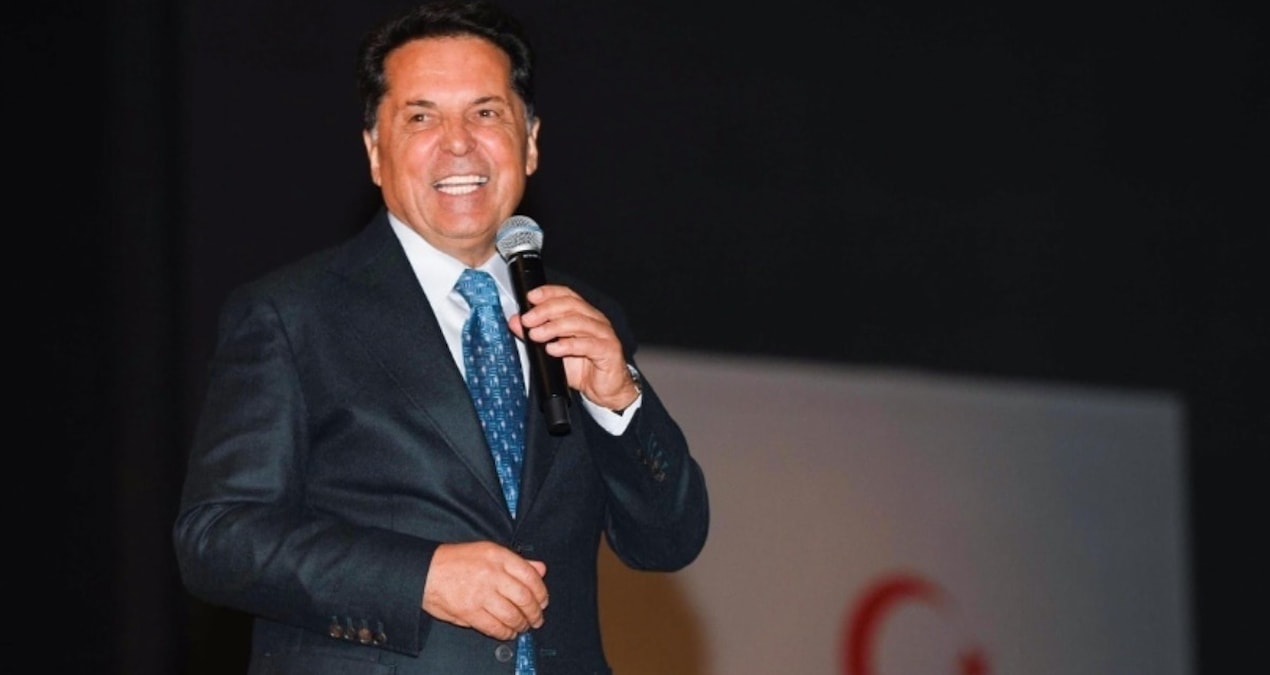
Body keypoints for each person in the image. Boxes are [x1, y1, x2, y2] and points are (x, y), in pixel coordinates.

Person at [171, 1, 710, 673]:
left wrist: (619, 400)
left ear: (531, 141)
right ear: (375, 151)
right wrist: (419, 576)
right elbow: (217, 539)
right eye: (421, 117)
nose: (458, 143)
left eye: (486, 113)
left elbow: (668, 542)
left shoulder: (585, 317)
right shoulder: (292, 315)